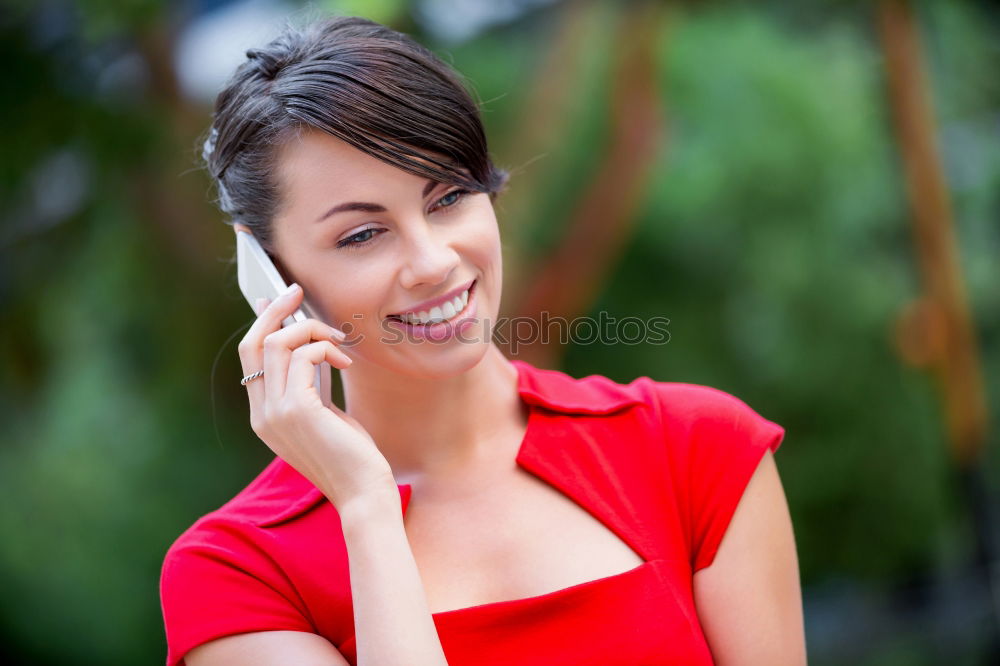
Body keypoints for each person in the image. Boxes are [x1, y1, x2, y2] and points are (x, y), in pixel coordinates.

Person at [159, 14, 807, 666]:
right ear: (270, 276)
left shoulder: (697, 449)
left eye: (447, 198)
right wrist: (365, 505)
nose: (434, 261)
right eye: (362, 234)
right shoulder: (236, 571)